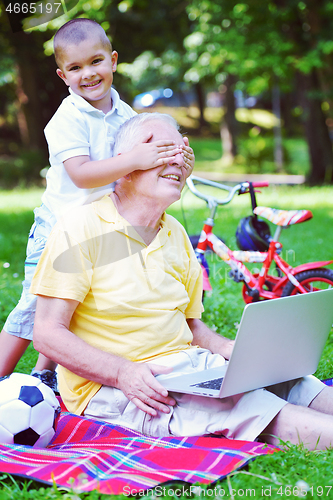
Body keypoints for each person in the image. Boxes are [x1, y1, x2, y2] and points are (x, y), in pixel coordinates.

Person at [31, 112, 333, 450]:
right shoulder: (80, 227)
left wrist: (230, 350)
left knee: (292, 382)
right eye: (161, 150)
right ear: (124, 164)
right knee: (248, 408)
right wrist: (122, 373)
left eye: (180, 152)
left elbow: (191, 326)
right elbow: (46, 332)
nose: (176, 160)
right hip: (122, 388)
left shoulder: (174, 232)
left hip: (189, 369)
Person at [0, 19, 194, 391]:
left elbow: (150, 162)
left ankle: (47, 375)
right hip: (58, 226)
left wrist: (179, 159)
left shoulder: (128, 117)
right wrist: (137, 158)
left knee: (78, 301)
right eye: (75, 68)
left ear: (114, 60)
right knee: (32, 310)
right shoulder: (66, 119)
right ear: (62, 75)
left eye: (96, 62)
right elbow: (82, 174)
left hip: (101, 225)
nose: (88, 74)